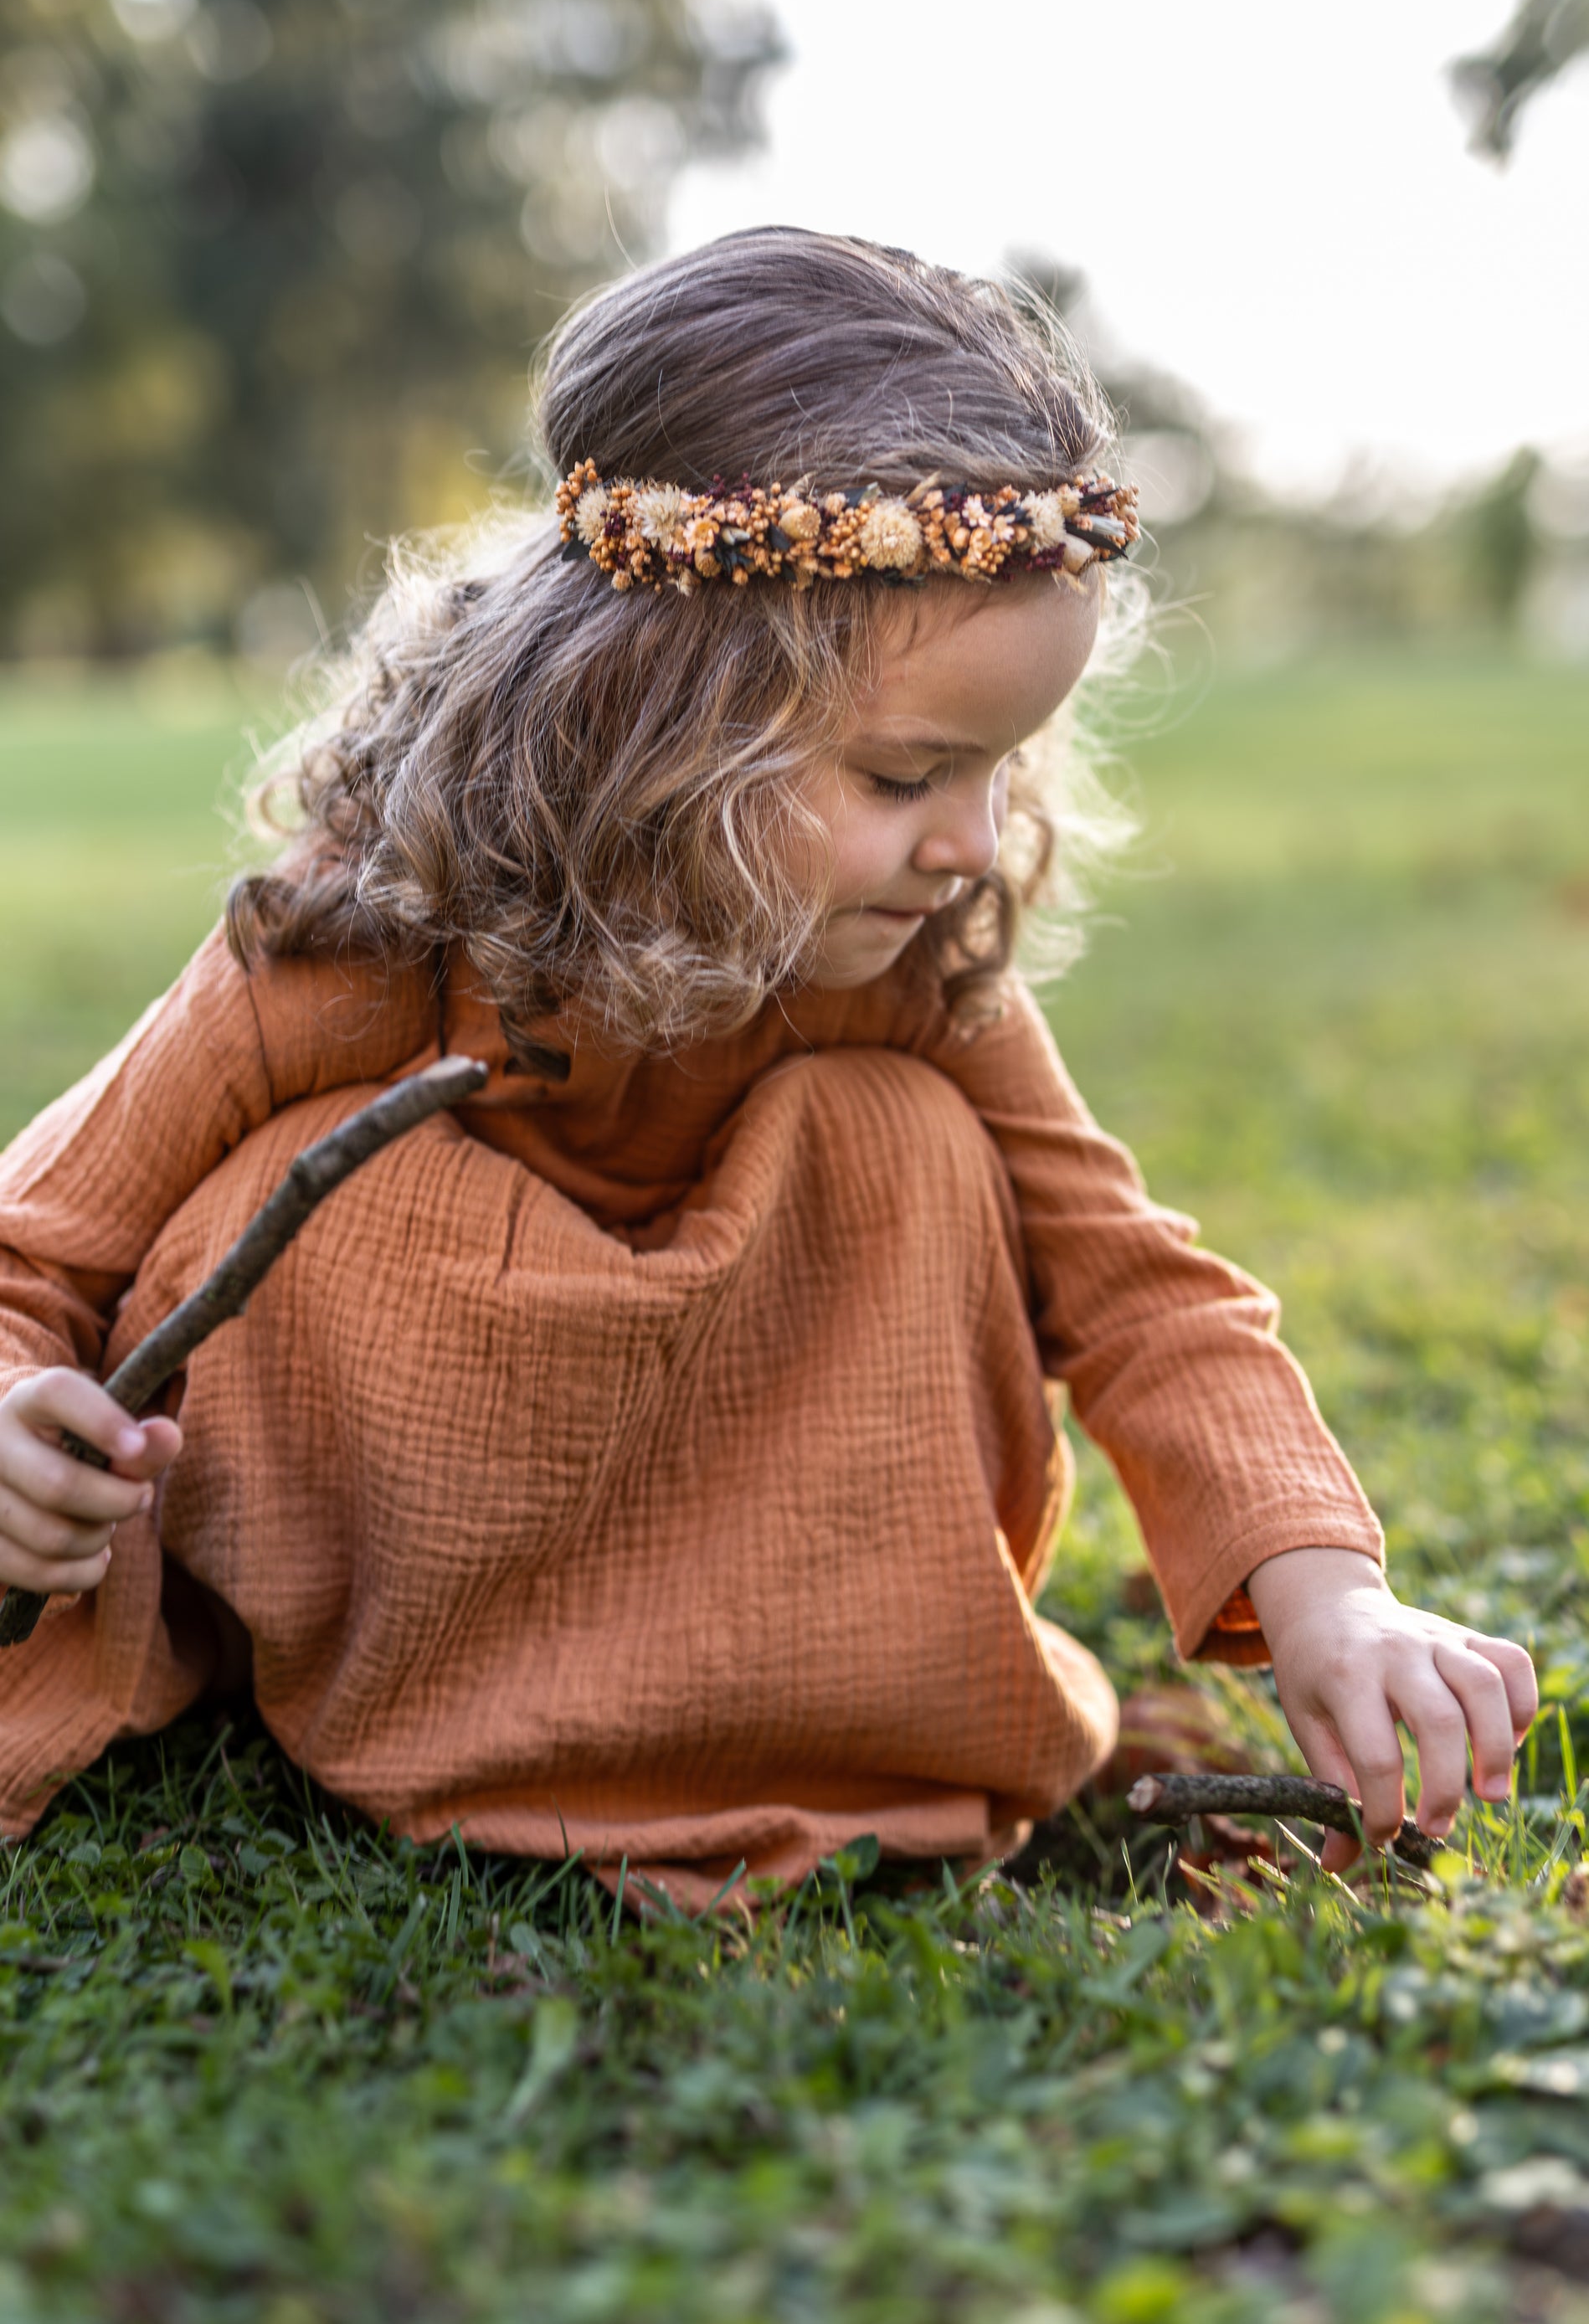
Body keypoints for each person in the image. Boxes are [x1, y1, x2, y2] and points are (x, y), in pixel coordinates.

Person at [0, 229, 1535, 1906]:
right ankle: (474, 1722)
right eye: (906, 771)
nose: (969, 840)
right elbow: (38, 1252)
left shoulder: (900, 972)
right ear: (653, 718)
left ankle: (792, 1717)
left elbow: (1138, 1287)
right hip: (424, 1571)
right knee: (332, 1186)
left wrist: (1329, 1589)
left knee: (895, 1133)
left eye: (1002, 768)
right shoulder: (355, 940)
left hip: (775, 1559)